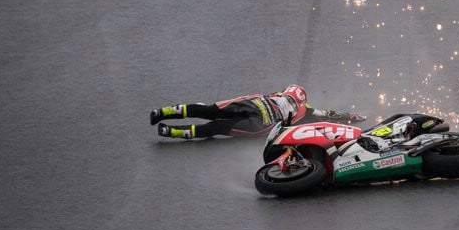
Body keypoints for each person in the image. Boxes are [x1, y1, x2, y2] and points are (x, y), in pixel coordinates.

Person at [150, 84, 365, 139]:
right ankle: (172, 132)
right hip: (261, 123)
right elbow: (328, 113)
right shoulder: (306, 109)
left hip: (253, 105)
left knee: (210, 111)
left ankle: (164, 111)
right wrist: (350, 117)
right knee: (216, 127)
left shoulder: (278, 93)